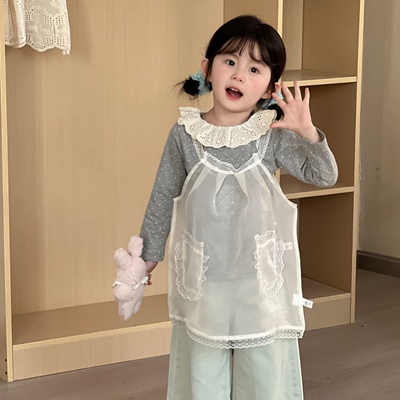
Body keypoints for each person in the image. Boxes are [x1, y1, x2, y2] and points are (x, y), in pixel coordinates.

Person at [139, 15, 338, 400]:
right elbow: (163, 195)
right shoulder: (185, 135)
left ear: (270, 86)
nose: (239, 75)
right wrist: (147, 256)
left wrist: (308, 133)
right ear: (207, 69)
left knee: (262, 377)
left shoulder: (271, 134)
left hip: (259, 282)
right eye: (230, 61)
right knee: (204, 376)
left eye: (255, 69)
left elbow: (323, 175)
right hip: (205, 281)